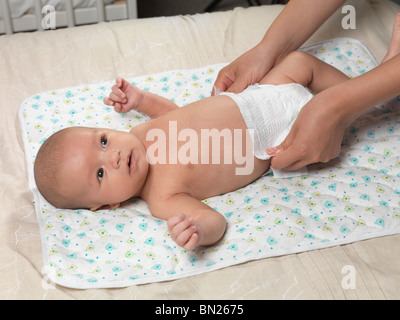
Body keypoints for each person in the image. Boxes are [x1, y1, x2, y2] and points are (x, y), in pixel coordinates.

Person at [34, 17, 400, 251]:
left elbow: (174, 114)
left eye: (102, 141)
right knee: (317, 132)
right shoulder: (162, 198)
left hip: (258, 96)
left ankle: (372, 84)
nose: (112, 156)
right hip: (280, 136)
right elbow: (215, 221)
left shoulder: (141, 133)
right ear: (107, 206)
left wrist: (142, 99)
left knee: (299, 63)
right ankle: (375, 94)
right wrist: (195, 229)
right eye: (100, 174)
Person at [213, 0, 400, 171]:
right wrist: (269, 48)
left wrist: (340, 105)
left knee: (299, 63)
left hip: (267, 106)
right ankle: (383, 74)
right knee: (297, 63)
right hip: (278, 134)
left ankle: (382, 77)